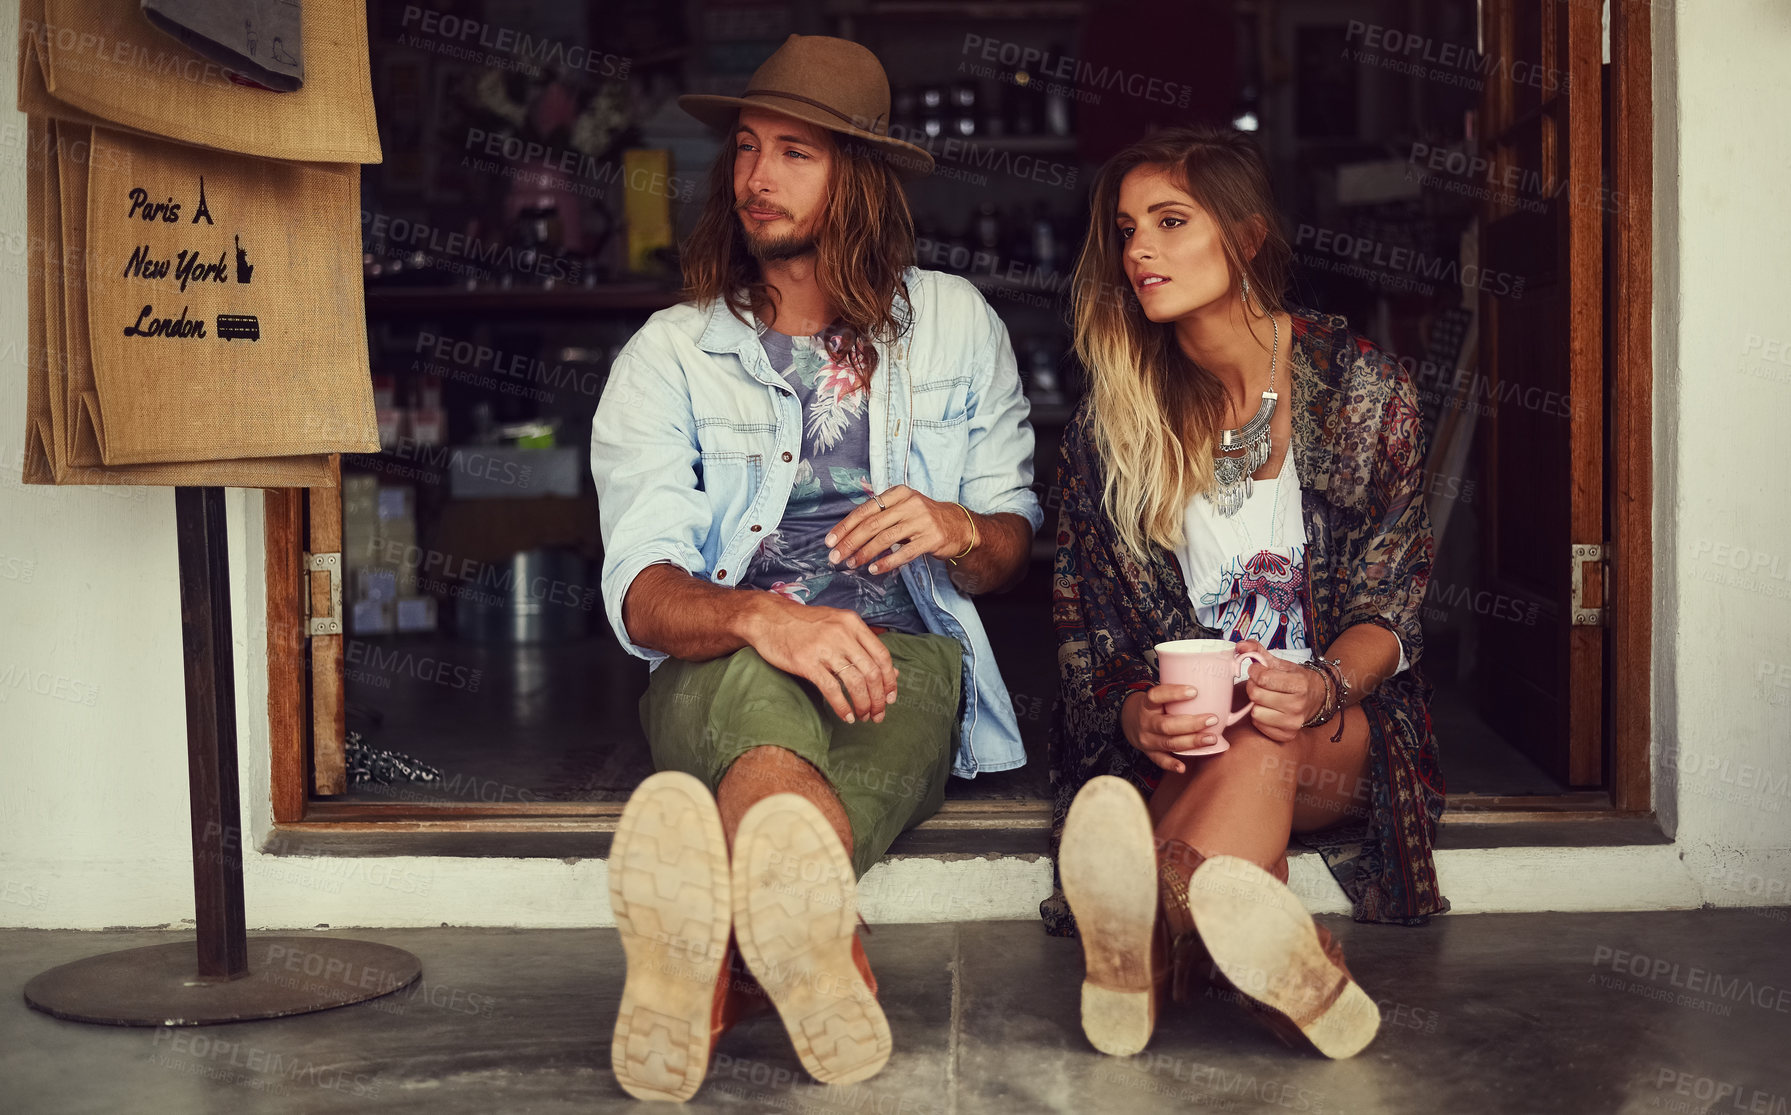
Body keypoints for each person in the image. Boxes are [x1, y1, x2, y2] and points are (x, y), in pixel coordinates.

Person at [589, 34, 1041, 1103]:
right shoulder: (672, 353)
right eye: (747, 149)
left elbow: (1012, 541)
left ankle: (718, 973)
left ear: (862, 178)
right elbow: (642, 591)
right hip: (719, 668)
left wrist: (958, 527)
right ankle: (809, 952)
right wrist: (760, 618)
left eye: (796, 152)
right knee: (756, 694)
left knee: (806, 764)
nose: (756, 176)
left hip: (906, 666)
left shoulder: (958, 325)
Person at [1043, 125, 1448, 1061]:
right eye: (1125, 227)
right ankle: (1283, 967)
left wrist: (1318, 686)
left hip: (1333, 726)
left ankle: (1140, 931)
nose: (1137, 248)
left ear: (1248, 237)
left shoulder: (1360, 391)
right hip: (1186, 745)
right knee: (1240, 742)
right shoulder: (1115, 420)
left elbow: (1392, 610)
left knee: (1268, 735)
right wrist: (1136, 711)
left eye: (1170, 221)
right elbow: (1080, 627)